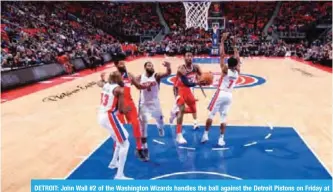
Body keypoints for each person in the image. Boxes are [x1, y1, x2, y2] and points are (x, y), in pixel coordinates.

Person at [201, 33, 241, 146]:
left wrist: (222, 41)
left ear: (228, 64)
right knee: (223, 117)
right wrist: (234, 46)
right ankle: (221, 139)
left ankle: (205, 135)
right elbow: (237, 58)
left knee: (211, 115)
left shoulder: (225, 70)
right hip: (229, 96)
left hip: (221, 93)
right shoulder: (238, 72)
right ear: (236, 64)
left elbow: (222, 55)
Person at [97, 71, 132, 180]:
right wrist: (128, 109)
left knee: (120, 139)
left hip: (101, 115)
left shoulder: (106, 84)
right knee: (125, 143)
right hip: (109, 116)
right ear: (119, 78)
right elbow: (121, 110)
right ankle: (119, 175)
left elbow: (99, 83)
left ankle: (113, 163)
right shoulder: (119, 90)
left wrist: (102, 79)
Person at [113, 60, 151, 161]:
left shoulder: (129, 75)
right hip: (118, 105)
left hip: (129, 103)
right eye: (120, 63)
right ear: (116, 65)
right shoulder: (114, 76)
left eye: (123, 63)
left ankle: (139, 149)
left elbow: (138, 86)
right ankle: (116, 152)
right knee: (119, 129)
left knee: (136, 124)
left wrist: (147, 86)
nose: (123, 65)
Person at [137, 61, 171, 159]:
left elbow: (167, 73)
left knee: (160, 121)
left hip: (155, 103)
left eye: (152, 65)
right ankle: (145, 148)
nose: (151, 66)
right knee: (143, 128)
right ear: (145, 67)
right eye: (149, 65)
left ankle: (160, 127)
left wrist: (168, 67)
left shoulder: (156, 76)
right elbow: (132, 82)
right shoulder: (140, 77)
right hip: (143, 104)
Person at [172, 64, 208, 144]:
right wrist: (176, 97)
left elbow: (188, 83)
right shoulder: (179, 76)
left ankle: (176, 113)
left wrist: (200, 79)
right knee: (181, 110)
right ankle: (179, 135)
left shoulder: (185, 76)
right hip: (180, 94)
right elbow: (187, 84)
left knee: (193, 109)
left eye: (183, 68)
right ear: (178, 70)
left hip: (188, 92)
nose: (182, 69)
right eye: (180, 68)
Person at [170, 52, 202, 130]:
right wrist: (197, 82)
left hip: (189, 89)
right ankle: (175, 115)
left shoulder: (196, 67)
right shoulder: (181, 68)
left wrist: (203, 79)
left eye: (191, 56)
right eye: (187, 56)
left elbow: (201, 76)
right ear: (184, 58)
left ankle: (195, 123)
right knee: (181, 108)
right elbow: (186, 83)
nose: (189, 57)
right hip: (179, 89)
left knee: (193, 106)